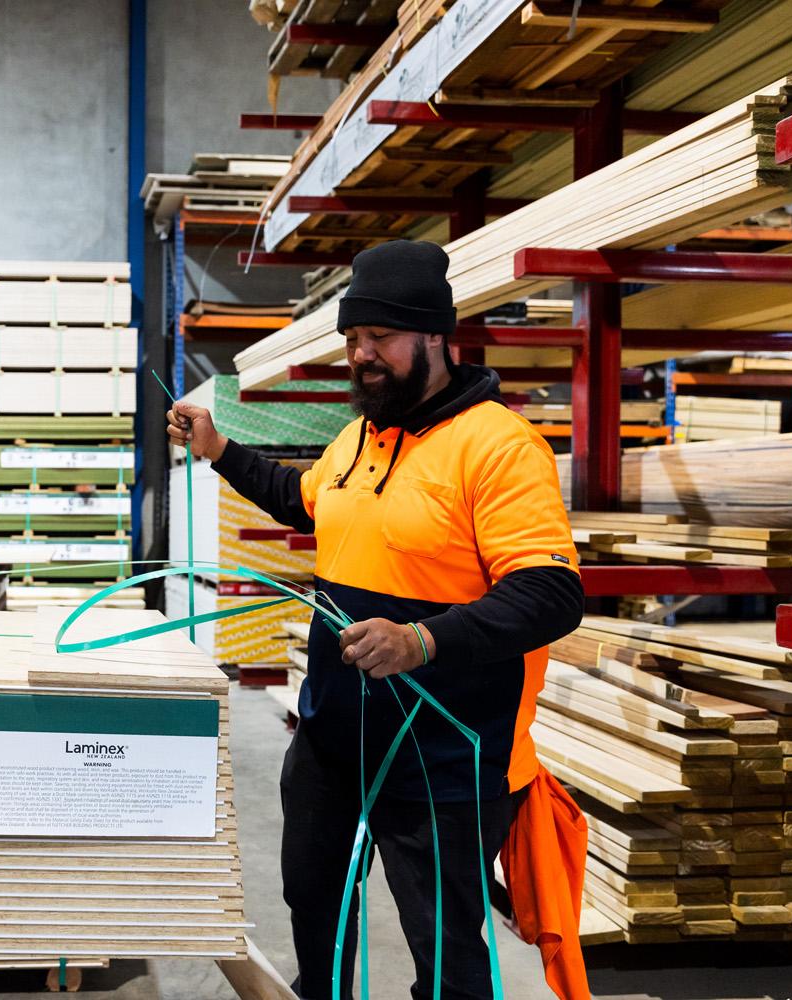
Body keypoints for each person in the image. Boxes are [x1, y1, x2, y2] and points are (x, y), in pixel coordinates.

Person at [166, 239, 585, 1000]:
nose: (361, 356)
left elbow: (550, 593)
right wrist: (219, 448)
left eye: (380, 337)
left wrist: (421, 639)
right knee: (313, 901)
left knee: (444, 947)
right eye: (353, 339)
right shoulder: (361, 435)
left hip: (444, 757)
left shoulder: (498, 445)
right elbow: (306, 503)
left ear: (435, 335)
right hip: (334, 734)